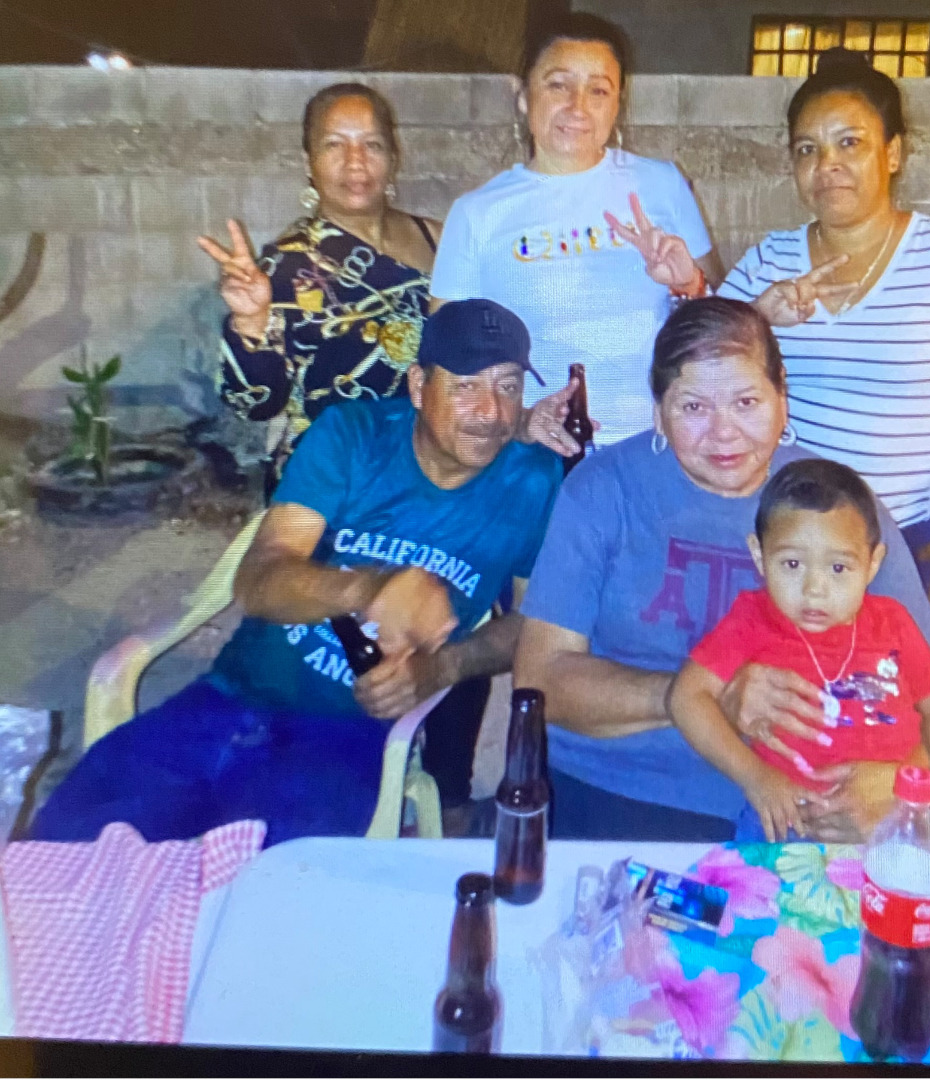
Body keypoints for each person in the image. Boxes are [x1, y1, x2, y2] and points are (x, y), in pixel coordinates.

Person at [30, 300, 563, 848]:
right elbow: (259, 579)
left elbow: (538, 623)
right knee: (68, 845)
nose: (491, 412)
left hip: (345, 740)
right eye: (465, 386)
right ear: (419, 386)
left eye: (507, 386)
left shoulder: (536, 481)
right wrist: (371, 589)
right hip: (230, 697)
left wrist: (443, 667)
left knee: (274, 879)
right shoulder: (354, 436)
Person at [515, 297, 930, 844]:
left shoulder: (835, 508)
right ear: (657, 411)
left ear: (782, 397)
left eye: (746, 402)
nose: (724, 433)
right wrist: (703, 698)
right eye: (693, 407)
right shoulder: (601, 492)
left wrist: (920, 802)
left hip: (816, 804)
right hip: (625, 782)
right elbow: (540, 679)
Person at [612, 49, 930, 617]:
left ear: (893, 152)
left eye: (850, 143)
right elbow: (705, 365)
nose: (827, 163)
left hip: (899, 538)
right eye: (807, 149)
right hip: (783, 536)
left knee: (892, 673)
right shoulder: (770, 259)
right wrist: (740, 306)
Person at [429, 12, 724, 449]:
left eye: (598, 90)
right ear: (523, 95)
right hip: (542, 454)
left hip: (663, 445)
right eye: (558, 85)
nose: (578, 106)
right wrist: (523, 423)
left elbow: (725, 320)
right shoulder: (476, 213)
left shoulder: (662, 184)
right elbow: (446, 359)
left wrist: (690, 284)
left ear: (617, 103)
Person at [669, 458, 930, 844]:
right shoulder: (752, 619)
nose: (814, 588)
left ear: (873, 563)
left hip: (890, 812)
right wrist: (755, 777)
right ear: (760, 556)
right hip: (787, 821)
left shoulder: (893, 623)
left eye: (838, 568)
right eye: (793, 563)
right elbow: (686, 698)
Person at [197, 82, 442, 495]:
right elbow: (255, 405)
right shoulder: (286, 266)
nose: (355, 162)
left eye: (372, 144)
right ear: (309, 161)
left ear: (394, 156)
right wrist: (252, 321)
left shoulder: (438, 239)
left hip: (429, 470)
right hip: (329, 485)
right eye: (334, 145)